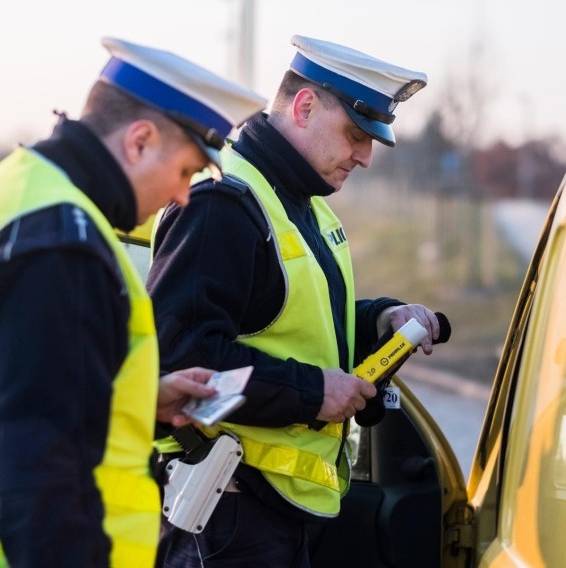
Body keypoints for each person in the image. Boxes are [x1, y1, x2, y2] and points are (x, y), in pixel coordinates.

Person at [0, 37, 266, 568]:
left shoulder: (14, 192)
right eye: (185, 172)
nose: (181, 197)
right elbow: (36, 475)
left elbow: (5, 392)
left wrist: (133, 401)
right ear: (140, 140)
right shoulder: (60, 243)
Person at [148, 35, 445, 567]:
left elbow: (293, 327)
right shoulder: (221, 201)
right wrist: (312, 393)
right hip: (225, 519)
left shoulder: (303, 203)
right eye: (356, 134)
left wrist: (380, 320)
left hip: (274, 517)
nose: (366, 157)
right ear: (304, 107)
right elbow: (180, 362)